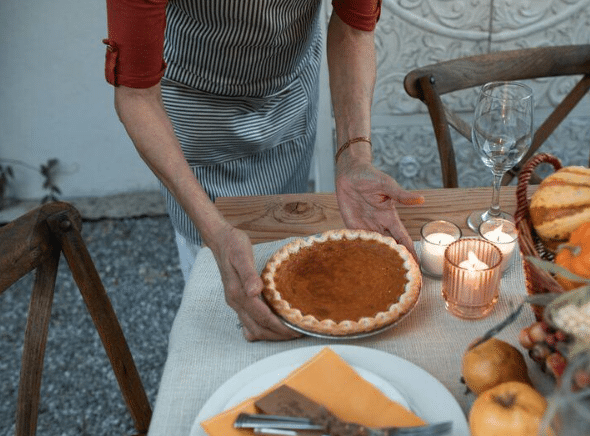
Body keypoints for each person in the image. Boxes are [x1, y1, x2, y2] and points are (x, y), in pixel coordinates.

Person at [104, 0, 424, 341]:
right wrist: (214, 233)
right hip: (195, 104)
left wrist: (354, 156)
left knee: (285, 241)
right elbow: (137, 98)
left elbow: (352, 29)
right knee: (219, 288)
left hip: (289, 91)